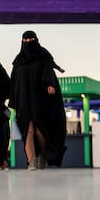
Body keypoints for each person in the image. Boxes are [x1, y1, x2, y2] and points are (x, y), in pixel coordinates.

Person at [9, 30, 67, 171]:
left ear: (36, 40)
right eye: (26, 41)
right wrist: (14, 103)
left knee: (40, 132)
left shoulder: (42, 56)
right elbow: (14, 83)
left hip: (40, 102)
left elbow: (48, 71)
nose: (28, 43)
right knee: (27, 132)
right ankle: (32, 161)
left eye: (31, 40)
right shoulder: (18, 61)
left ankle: (43, 156)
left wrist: (50, 84)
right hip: (23, 103)